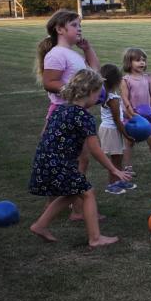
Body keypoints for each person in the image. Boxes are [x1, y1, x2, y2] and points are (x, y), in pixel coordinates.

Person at [27, 68, 131, 247]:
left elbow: (45, 134)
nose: (98, 99)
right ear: (89, 92)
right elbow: (95, 150)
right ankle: (95, 238)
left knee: (72, 193)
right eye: (97, 94)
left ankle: (40, 225)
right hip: (59, 163)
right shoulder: (84, 117)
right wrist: (114, 169)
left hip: (44, 160)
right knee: (88, 193)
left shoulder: (60, 109)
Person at [36, 10, 99, 221]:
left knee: (79, 160)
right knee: (65, 160)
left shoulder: (73, 53)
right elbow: (49, 82)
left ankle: (75, 208)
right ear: (60, 29)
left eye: (79, 25)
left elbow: (95, 74)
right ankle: (72, 208)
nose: (79, 29)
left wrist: (88, 49)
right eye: (74, 25)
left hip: (74, 114)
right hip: (62, 114)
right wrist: (74, 93)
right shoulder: (56, 54)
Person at [120, 47, 151, 176]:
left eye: (143, 60)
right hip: (132, 117)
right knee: (129, 142)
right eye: (138, 60)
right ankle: (127, 167)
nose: (142, 62)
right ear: (129, 62)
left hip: (147, 117)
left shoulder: (147, 78)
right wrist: (133, 115)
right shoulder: (126, 80)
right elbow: (125, 99)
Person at [97, 64, 133, 195]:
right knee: (115, 159)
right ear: (117, 81)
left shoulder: (108, 94)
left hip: (111, 129)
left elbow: (120, 116)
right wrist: (127, 135)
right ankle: (112, 184)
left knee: (118, 157)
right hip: (111, 130)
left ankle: (119, 180)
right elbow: (117, 121)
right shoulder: (112, 98)